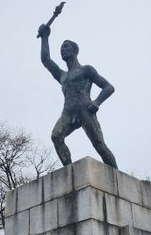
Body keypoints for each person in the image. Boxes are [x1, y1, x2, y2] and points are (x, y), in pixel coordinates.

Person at [38, 23, 118, 169]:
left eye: (66, 47)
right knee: (56, 136)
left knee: (99, 145)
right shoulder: (62, 75)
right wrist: (45, 37)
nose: (63, 50)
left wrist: (97, 102)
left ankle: (117, 176)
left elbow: (109, 87)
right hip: (68, 112)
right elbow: (46, 60)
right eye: (61, 49)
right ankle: (69, 172)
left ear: (75, 50)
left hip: (85, 109)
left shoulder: (85, 70)